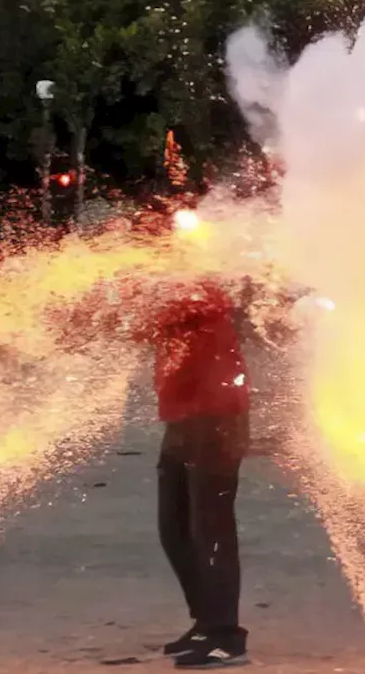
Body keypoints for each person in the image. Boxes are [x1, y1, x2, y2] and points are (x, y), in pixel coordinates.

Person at [138, 277, 253, 668]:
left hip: (217, 420)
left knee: (211, 529)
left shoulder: (199, 293)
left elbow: (148, 319)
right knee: (174, 527)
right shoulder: (169, 289)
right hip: (182, 420)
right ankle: (205, 622)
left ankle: (226, 636)